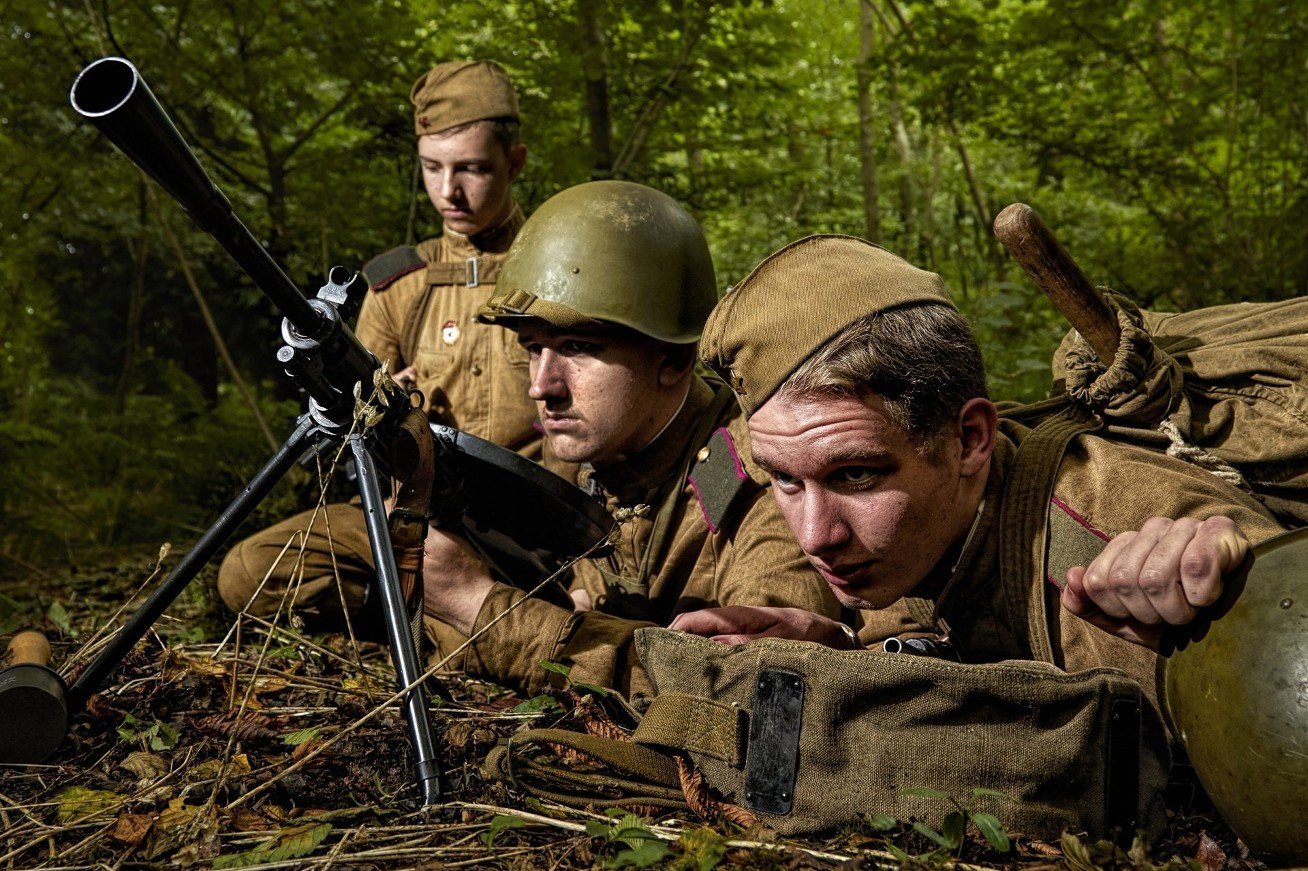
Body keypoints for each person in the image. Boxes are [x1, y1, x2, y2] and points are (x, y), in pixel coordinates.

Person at [675, 233, 1286, 704]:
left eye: (856, 477)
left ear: (970, 440)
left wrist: (1231, 604)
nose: (816, 536)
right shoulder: (915, 542)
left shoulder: (1099, 540)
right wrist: (840, 648)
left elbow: (1276, 608)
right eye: (785, 478)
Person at [417, 181, 844, 696]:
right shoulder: (599, 451)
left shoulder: (763, 478)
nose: (541, 387)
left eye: (577, 346)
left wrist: (479, 606)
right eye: (533, 348)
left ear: (674, 360)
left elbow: (749, 689)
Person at [217, 61, 543, 640]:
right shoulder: (400, 285)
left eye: (472, 168)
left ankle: (466, 620)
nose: (449, 191)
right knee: (247, 571)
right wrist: (379, 414)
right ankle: (419, 617)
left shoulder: (555, 265)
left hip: (534, 525)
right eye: (432, 168)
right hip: (413, 518)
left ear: (514, 163)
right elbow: (347, 440)